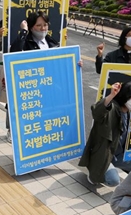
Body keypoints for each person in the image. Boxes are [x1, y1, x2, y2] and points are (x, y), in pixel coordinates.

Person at [6, 11, 83, 143]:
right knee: (29, 130)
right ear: (31, 27)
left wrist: (75, 64)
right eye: (38, 25)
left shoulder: (52, 42)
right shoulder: (25, 43)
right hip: (32, 94)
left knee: (44, 129)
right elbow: (14, 54)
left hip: (49, 94)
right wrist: (23, 32)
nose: (43, 28)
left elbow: (60, 66)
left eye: (45, 25)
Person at [79, 81, 131, 186]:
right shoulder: (112, 108)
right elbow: (97, 112)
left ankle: (110, 171)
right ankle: (93, 175)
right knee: (113, 180)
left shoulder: (128, 113)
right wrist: (112, 95)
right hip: (103, 154)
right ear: (125, 95)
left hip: (119, 155)